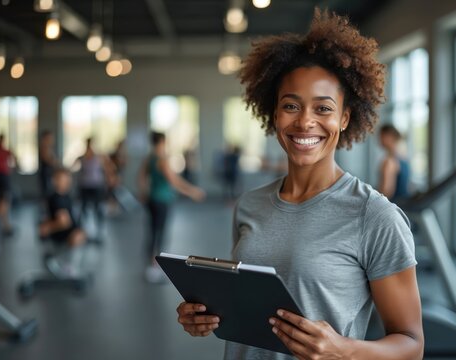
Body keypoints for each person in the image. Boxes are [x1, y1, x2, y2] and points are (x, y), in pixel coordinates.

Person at [176, 9, 423, 360]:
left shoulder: (376, 216)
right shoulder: (249, 204)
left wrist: (345, 349)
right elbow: (246, 306)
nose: (305, 122)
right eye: (291, 106)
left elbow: (413, 346)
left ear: (344, 118)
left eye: (323, 109)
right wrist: (203, 316)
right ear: (274, 114)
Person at [138, 132, 205, 283]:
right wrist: (192, 191)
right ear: (162, 141)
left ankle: (150, 267)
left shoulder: (149, 158)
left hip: (152, 200)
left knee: (153, 231)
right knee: (159, 233)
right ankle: (154, 269)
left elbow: (141, 177)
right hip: (161, 201)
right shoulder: (161, 160)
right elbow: (173, 180)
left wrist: (143, 192)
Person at [39, 167, 87, 276]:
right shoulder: (56, 198)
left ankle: (68, 265)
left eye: (67, 179)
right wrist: (48, 227)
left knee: (81, 234)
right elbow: (63, 221)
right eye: (63, 179)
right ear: (55, 180)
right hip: (59, 237)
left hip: (67, 233)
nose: (66, 182)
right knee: (78, 235)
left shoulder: (67, 196)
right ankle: (64, 265)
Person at [74, 138, 113, 239]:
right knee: (83, 209)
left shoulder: (99, 157)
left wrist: (109, 179)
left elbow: (109, 167)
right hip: (84, 186)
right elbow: (73, 166)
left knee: (98, 209)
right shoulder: (82, 157)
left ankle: (99, 232)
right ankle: (84, 231)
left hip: (96, 186)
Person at [378, 124, 411, 203]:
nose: (379, 139)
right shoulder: (403, 158)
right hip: (403, 203)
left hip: (394, 205)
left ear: (389, 137)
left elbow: (386, 192)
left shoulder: (390, 162)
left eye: (381, 136)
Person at [38, 130, 58, 198]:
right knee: (47, 193)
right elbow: (48, 160)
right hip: (46, 173)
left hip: (49, 173)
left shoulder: (49, 148)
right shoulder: (44, 147)